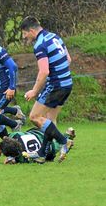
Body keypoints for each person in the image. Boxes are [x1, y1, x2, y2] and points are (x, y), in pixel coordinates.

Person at [20, 16, 73, 163]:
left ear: (31, 31)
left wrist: (34, 91)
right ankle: (43, 154)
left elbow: (44, 72)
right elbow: (68, 59)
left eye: (25, 33)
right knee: (49, 120)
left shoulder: (40, 44)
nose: (24, 37)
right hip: (67, 83)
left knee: (35, 117)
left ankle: (64, 141)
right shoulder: (55, 36)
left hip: (55, 85)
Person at [0, 127, 75, 165]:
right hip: (36, 132)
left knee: (56, 146)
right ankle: (67, 135)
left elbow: (0, 147)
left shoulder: (22, 158)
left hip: (47, 147)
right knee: (56, 140)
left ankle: (67, 138)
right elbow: (0, 145)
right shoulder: (14, 135)